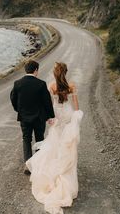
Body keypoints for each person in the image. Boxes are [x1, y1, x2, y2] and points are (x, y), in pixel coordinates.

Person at [26, 62, 83, 214]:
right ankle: (66, 176)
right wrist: (76, 119)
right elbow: (76, 108)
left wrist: (50, 118)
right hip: (68, 114)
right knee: (68, 147)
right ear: (66, 72)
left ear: (56, 73)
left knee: (55, 145)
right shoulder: (71, 85)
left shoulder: (52, 86)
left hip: (57, 116)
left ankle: (54, 172)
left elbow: (50, 105)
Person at [10, 60, 55, 174]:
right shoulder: (41, 84)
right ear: (35, 70)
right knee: (39, 139)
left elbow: (13, 99)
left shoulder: (17, 83)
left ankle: (28, 165)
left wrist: (19, 110)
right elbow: (47, 102)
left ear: (26, 70)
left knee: (26, 139)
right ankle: (39, 163)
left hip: (24, 118)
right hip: (39, 118)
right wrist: (50, 116)